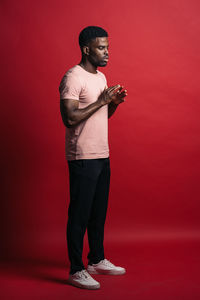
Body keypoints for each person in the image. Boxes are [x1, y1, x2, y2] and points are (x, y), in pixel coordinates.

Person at [59, 26, 127, 290]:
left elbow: (100, 116)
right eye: (101, 47)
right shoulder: (73, 77)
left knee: (98, 214)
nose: (107, 52)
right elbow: (69, 118)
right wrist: (102, 101)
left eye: (108, 47)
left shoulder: (101, 77)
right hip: (82, 157)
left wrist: (113, 104)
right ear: (86, 49)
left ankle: (96, 260)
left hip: (102, 154)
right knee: (79, 214)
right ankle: (76, 269)